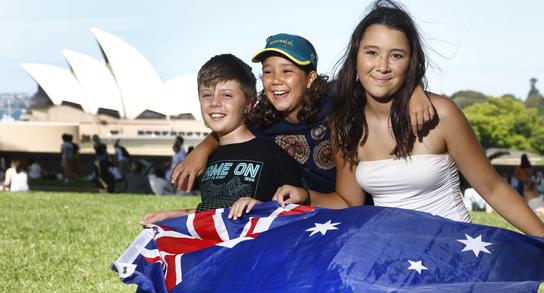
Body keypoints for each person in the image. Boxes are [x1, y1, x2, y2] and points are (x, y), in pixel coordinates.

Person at [272, 0, 544, 246]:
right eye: (372, 53)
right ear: (356, 56)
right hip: (391, 259)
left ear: (411, 62)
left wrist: (542, 233)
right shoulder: (346, 123)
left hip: (453, 251)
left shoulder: (441, 114)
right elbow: (348, 201)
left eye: (396, 55)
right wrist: (306, 196)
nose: (382, 66)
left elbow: (492, 187)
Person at [171, 32, 436, 194]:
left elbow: (381, 82)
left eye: (287, 71)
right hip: (300, 214)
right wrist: (201, 151)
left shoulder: (336, 98)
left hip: (351, 207)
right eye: (267, 71)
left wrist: (414, 91)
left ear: (310, 79)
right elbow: (230, 127)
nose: (276, 80)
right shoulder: (264, 116)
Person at [141, 53, 303, 224]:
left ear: (249, 104)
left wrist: (263, 208)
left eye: (226, 95)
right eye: (207, 95)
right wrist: (171, 216)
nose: (215, 103)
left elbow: (297, 215)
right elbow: (213, 213)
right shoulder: (204, 159)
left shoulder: (273, 154)